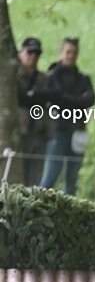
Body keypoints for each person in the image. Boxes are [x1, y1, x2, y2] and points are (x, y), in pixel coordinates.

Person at [40, 37, 95, 196]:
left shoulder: (83, 78)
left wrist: (66, 98)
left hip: (77, 131)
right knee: (51, 175)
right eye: (68, 52)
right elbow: (56, 98)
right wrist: (77, 100)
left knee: (72, 179)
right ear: (61, 53)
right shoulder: (52, 76)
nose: (71, 56)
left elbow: (90, 99)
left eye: (74, 53)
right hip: (58, 130)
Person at [15, 37, 54, 186]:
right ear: (21, 53)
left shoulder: (43, 79)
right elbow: (20, 97)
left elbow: (54, 97)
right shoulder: (13, 77)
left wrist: (35, 96)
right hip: (19, 133)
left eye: (37, 53)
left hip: (39, 132)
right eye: (30, 52)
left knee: (34, 180)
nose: (33, 56)